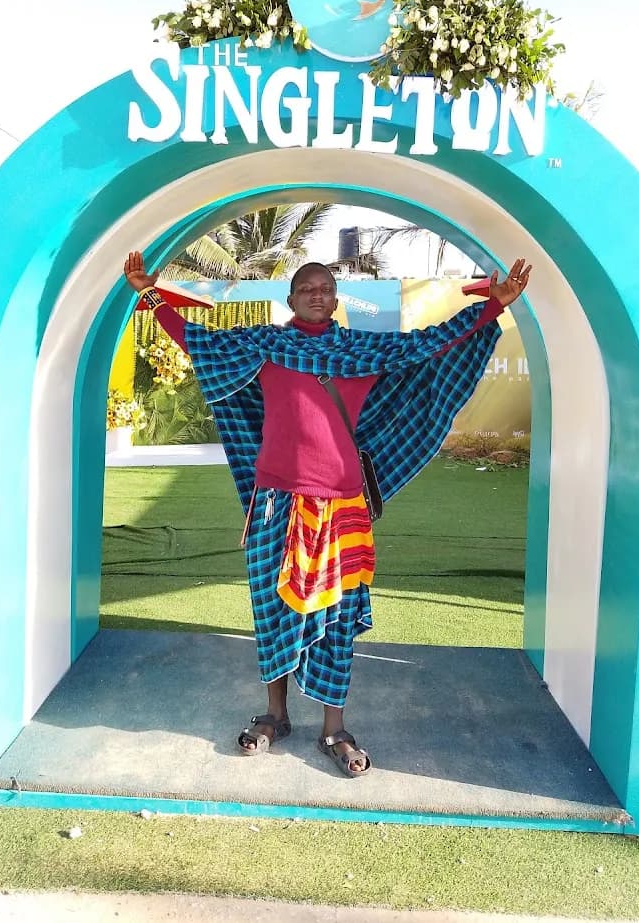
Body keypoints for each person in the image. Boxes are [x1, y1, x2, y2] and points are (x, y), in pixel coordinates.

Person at [123, 252, 531, 777]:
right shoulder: (264, 346)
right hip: (275, 501)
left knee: (337, 621)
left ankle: (333, 728)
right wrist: (148, 294)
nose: (317, 293)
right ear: (290, 299)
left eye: (326, 288)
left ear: (336, 300)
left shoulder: (361, 349)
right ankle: (275, 716)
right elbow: (195, 338)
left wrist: (490, 309)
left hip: (341, 505)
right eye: (306, 288)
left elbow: (431, 342)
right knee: (272, 611)